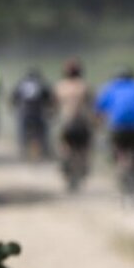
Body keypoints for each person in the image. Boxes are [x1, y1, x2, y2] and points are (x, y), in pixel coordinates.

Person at [54, 58, 95, 191]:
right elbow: (93, 105)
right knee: (84, 149)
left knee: (65, 147)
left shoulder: (60, 86)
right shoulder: (85, 86)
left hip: (66, 124)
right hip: (83, 124)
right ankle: (83, 169)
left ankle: (65, 165)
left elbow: (53, 106)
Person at [10, 66, 56, 161]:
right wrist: (51, 112)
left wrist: (14, 108)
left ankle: (22, 149)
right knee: (44, 131)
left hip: (24, 115)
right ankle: (45, 150)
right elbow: (50, 100)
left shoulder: (21, 84)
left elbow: (13, 98)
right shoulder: (42, 84)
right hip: (38, 115)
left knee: (21, 130)